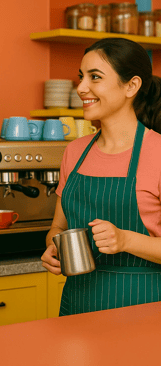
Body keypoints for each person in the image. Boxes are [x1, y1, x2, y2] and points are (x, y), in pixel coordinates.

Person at [41, 37, 161, 316]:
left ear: (131, 85)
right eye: (81, 77)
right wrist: (53, 248)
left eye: (95, 77)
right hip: (78, 304)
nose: (81, 88)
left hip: (144, 308)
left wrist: (125, 240)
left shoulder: (158, 152)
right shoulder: (75, 151)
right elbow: (58, 228)